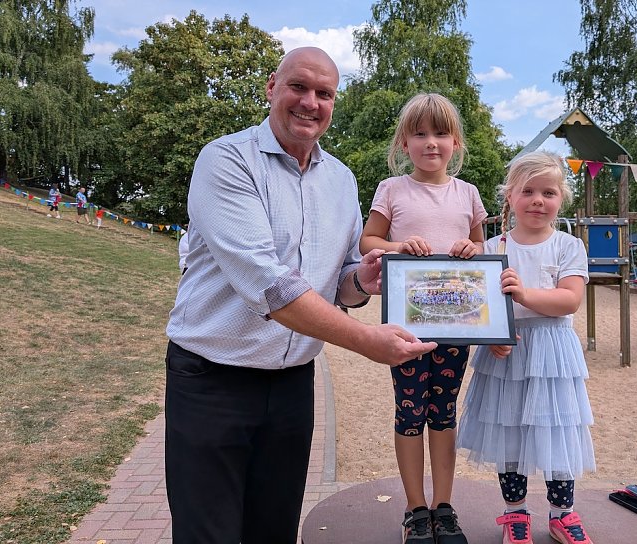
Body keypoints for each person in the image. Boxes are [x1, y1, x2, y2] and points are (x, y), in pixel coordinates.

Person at [164, 47, 437, 544]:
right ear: (272, 87)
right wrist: (367, 341)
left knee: (275, 529)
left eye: (324, 93)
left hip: (292, 385)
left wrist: (364, 280)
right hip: (211, 381)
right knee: (209, 533)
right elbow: (271, 285)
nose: (310, 102)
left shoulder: (341, 179)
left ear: (334, 102)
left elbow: (342, 281)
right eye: (299, 87)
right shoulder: (225, 160)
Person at [360, 92, 486, 544]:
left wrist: (474, 249)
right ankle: (415, 509)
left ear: (455, 142)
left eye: (441, 133)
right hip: (406, 327)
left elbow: (481, 255)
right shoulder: (392, 190)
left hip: (456, 323)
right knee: (410, 412)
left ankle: (444, 507)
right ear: (404, 143)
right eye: (420, 133)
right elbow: (367, 241)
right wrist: (398, 246)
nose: (431, 142)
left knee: (444, 412)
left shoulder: (468, 194)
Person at [457, 151, 596, 544]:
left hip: (552, 351)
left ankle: (562, 514)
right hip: (507, 349)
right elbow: (478, 306)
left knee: (557, 431)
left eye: (548, 192)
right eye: (528, 191)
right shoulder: (492, 248)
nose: (538, 199)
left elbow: (569, 300)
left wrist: (524, 293)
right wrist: (491, 336)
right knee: (510, 434)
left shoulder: (568, 246)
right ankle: (515, 514)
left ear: (561, 198)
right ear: (510, 196)